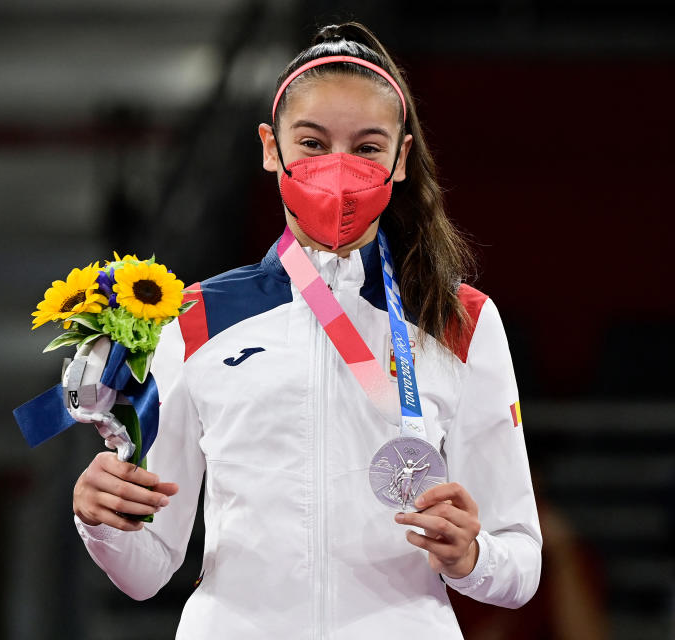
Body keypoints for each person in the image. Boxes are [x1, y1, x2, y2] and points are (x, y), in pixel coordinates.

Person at [71, 22, 541, 638]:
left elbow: (521, 563)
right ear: (272, 147)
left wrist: (474, 557)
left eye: (368, 147)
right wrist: (104, 521)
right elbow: (148, 569)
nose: (338, 170)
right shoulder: (194, 319)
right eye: (313, 143)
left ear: (400, 158)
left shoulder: (461, 321)